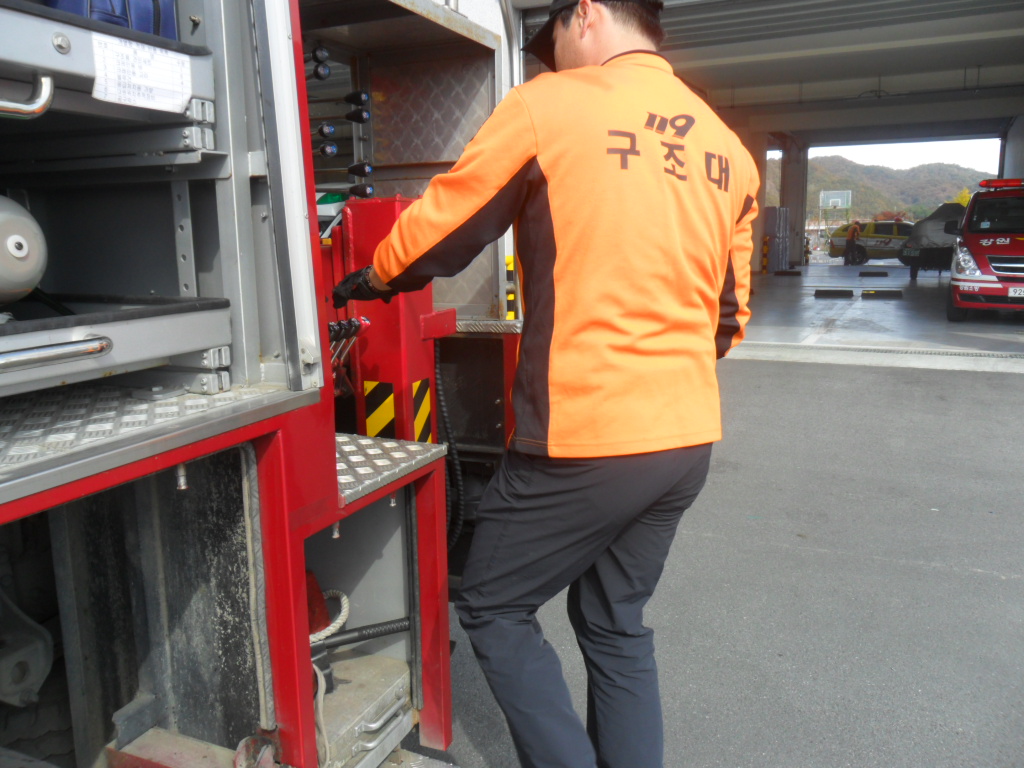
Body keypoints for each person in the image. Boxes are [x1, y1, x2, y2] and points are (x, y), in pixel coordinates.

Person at [332, 1, 759, 766]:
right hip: (685, 437)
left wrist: (373, 275)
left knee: (493, 605)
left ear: (584, 13)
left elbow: (446, 225)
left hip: (584, 437)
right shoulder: (727, 149)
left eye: (551, 40)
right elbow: (730, 319)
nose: (549, 59)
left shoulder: (551, 107)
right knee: (615, 622)